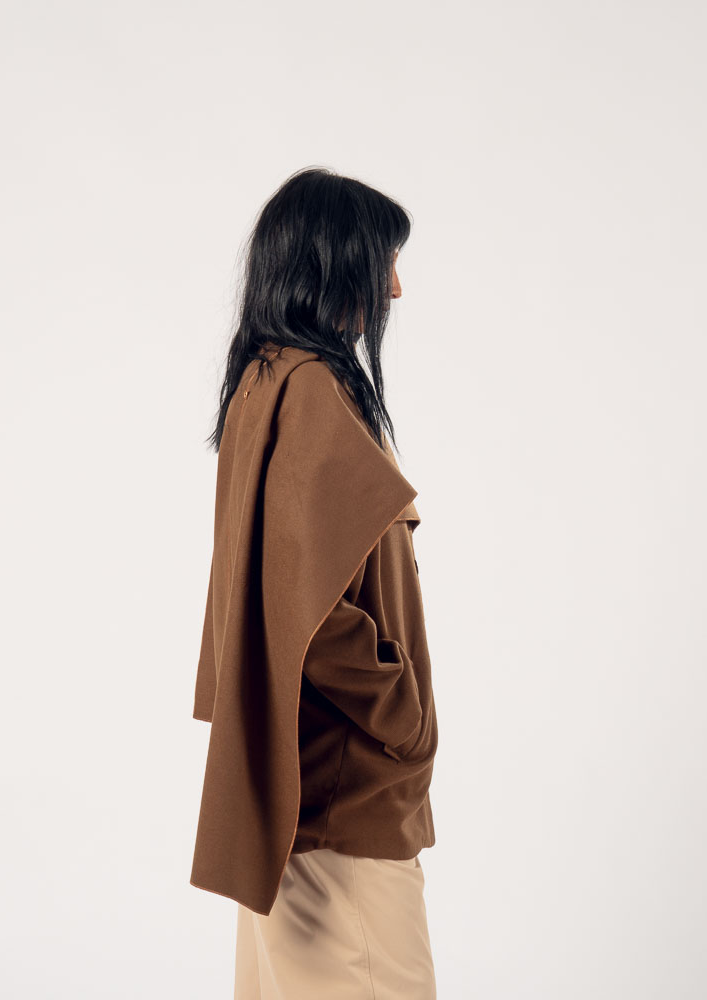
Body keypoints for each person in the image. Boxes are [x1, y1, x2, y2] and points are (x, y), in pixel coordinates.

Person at [189, 166, 439, 999]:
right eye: (384, 261)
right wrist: (399, 713)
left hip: (296, 777)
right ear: (335, 261)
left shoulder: (267, 379)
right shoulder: (312, 390)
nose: (394, 287)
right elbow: (307, 605)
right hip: (342, 787)